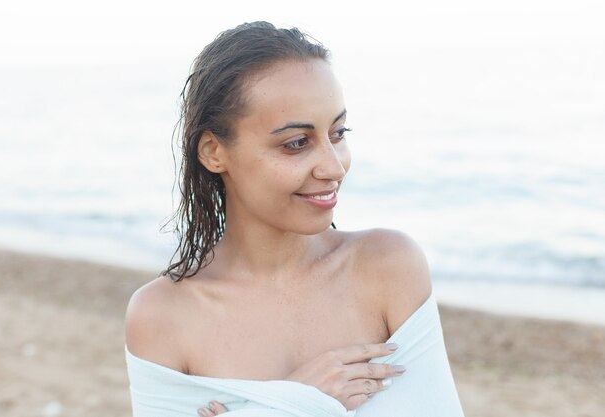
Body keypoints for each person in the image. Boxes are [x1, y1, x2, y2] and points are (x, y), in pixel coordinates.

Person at [125, 21, 464, 417]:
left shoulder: (388, 266)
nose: (334, 167)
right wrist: (301, 401)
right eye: (296, 143)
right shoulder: (161, 316)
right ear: (214, 151)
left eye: (338, 133)